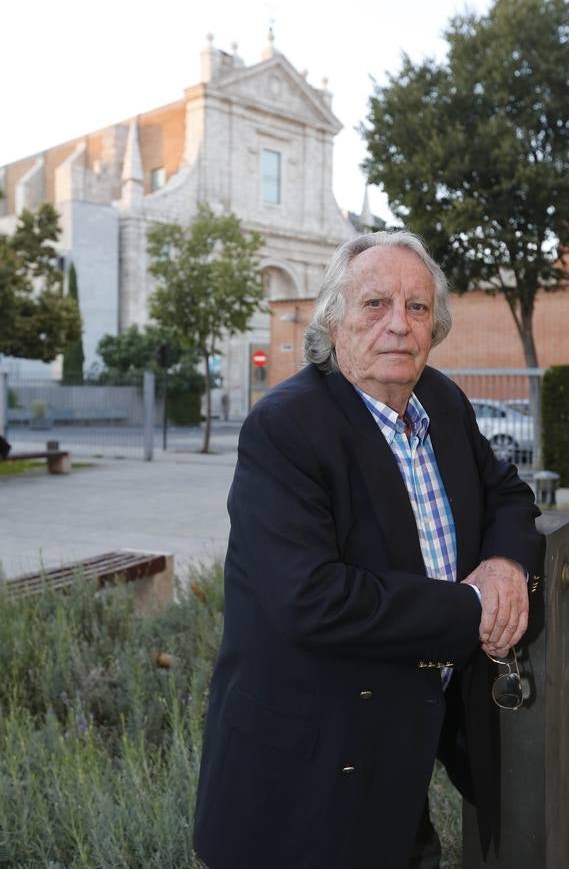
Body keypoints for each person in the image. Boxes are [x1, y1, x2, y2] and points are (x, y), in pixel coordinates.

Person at [194, 230, 544, 869]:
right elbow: (313, 599)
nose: (398, 326)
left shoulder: (439, 398)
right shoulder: (285, 429)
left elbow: (510, 495)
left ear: (434, 325)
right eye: (375, 305)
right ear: (333, 320)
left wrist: (505, 563)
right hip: (307, 781)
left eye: (416, 308)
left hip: (402, 754)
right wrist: (476, 608)